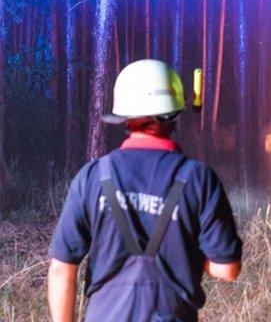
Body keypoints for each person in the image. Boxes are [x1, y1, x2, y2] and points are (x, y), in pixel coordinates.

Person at [47, 59, 242, 322]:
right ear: (173, 114)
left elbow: (61, 268)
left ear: (125, 118)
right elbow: (227, 269)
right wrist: (185, 252)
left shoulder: (93, 177)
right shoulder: (198, 179)